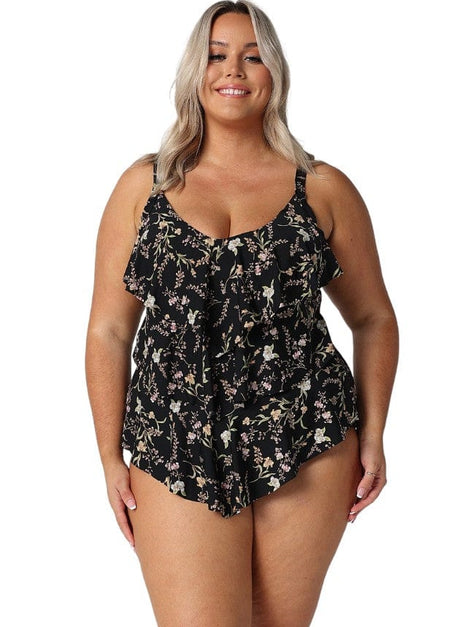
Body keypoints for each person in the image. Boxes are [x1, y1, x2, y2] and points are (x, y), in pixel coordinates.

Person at [85, 1, 399, 624]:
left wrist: (373, 435)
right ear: (194, 71)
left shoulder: (323, 188)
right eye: (217, 54)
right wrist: (109, 457)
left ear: (275, 73)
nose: (234, 69)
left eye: (253, 56)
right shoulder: (145, 188)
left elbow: (374, 319)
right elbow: (109, 329)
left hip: (306, 436)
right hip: (174, 440)